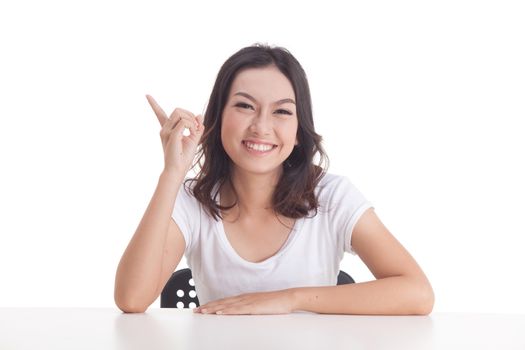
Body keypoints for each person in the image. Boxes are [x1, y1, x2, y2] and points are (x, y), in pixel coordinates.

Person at [114, 44, 434, 315]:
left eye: (281, 112)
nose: (261, 127)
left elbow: (418, 293)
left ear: (298, 131)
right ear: (216, 118)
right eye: (244, 106)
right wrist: (172, 174)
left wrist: (289, 299)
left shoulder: (333, 197)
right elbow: (131, 299)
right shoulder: (192, 199)